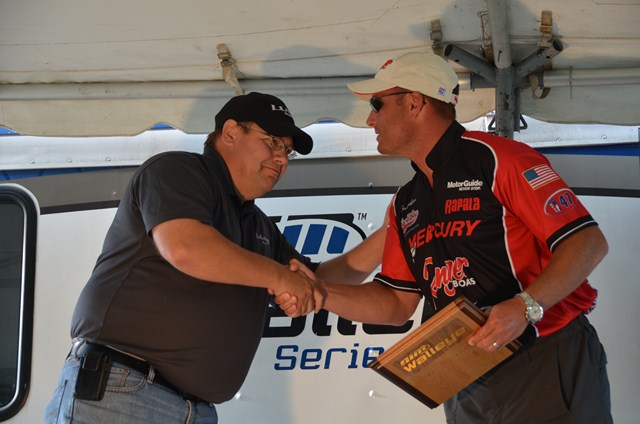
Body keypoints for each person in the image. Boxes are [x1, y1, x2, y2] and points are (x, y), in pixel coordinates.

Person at [279, 52, 612, 423]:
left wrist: (525, 307)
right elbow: (396, 303)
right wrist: (320, 293)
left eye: (377, 105)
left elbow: (588, 242)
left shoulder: (499, 158)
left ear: (415, 102)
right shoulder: (405, 201)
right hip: (464, 377)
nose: (370, 120)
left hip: (544, 355)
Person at [44, 92, 387, 424]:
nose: (282, 158)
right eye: (272, 142)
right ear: (231, 132)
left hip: (195, 409)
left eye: (287, 151)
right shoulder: (177, 170)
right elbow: (184, 247)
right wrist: (280, 277)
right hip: (124, 392)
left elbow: (317, 283)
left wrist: (391, 231)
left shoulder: (257, 224)